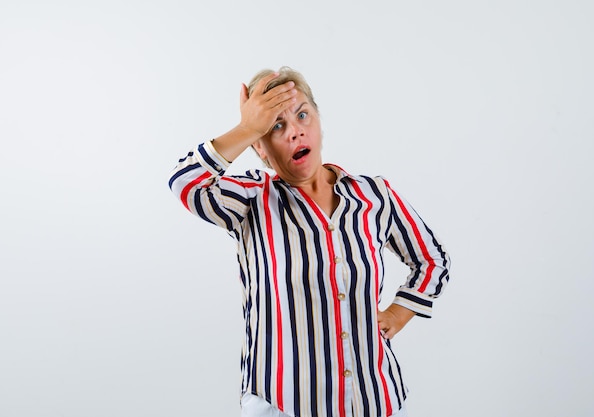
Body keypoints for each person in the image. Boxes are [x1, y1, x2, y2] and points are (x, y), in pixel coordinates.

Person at [168, 67, 451, 417]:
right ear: (261, 147)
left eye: (302, 115)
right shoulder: (252, 198)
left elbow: (432, 260)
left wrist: (398, 313)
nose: (295, 131)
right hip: (283, 404)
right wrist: (247, 127)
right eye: (276, 126)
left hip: (375, 401)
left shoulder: (373, 195)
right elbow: (185, 183)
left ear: (319, 120)